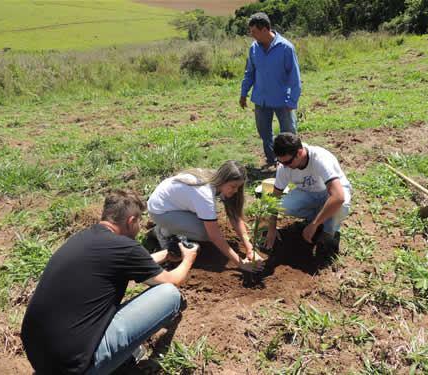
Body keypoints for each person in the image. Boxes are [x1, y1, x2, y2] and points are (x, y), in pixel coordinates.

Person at [21, 190, 199, 375]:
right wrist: (189, 258)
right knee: (169, 294)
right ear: (131, 221)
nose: (140, 227)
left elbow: (129, 262)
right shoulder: (125, 248)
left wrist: (166, 254)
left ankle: (121, 355)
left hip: (41, 358)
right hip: (76, 368)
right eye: (139, 221)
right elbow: (173, 280)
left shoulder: (85, 239)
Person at [148, 160, 263, 273]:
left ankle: (172, 226)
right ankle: (163, 231)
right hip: (160, 211)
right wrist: (240, 263)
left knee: (207, 226)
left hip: (174, 205)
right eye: (233, 186)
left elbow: (234, 217)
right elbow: (214, 236)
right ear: (223, 180)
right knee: (205, 233)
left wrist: (250, 248)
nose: (236, 190)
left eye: (238, 187)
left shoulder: (216, 179)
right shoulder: (205, 193)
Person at [265, 133, 352, 254]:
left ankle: (328, 232)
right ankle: (317, 218)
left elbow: (338, 196)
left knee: (341, 205)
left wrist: (314, 225)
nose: (285, 166)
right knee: (283, 206)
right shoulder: (284, 167)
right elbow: (275, 197)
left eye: (288, 162)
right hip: (308, 193)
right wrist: (271, 228)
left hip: (330, 192)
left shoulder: (320, 159)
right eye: (280, 162)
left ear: (299, 153)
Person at [240, 12, 302, 170]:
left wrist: (292, 101)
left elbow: (294, 77)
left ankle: (293, 161)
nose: (251, 35)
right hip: (261, 100)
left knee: (288, 133)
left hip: (283, 100)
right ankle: (272, 160)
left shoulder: (286, 48)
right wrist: (243, 93)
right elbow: (250, 72)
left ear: (265, 29)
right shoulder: (254, 48)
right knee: (264, 133)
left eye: (253, 31)